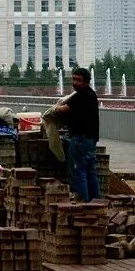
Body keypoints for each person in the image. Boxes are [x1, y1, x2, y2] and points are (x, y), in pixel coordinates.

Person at [53, 67, 101, 202]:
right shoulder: (91, 94)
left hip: (80, 140)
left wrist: (55, 108)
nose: (75, 82)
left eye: (78, 80)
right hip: (90, 140)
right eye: (73, 79)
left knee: (79, 173)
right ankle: (97, 203)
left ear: (86, 82)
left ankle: (84, 205)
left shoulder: (81, 96)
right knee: (91, 173)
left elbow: (63, 110)